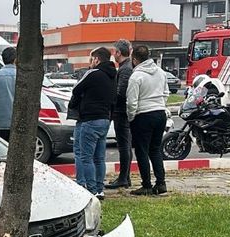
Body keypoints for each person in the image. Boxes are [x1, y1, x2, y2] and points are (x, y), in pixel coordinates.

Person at [69, 47, 116, 200]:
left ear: (96, 59)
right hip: (104, 119)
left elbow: (76, 89)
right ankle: (99, 188)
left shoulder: (93, 73)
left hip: (89, 119)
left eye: (92, 59)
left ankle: (91, 189)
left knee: (86, 157)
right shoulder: (112, 75)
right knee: (99, 158)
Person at [126, 45, 169, 196]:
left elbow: (131, 102)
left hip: (143, 115)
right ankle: (161, 182)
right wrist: (161, 106)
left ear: (135, 59)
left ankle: (146, 185)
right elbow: (166, 93)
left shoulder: (136, 76)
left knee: (142, 151)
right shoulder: (161, 72)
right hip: (160, 113)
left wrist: (131, 117)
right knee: (155, 149)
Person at [106, 39, 134, 189]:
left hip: (121, 112)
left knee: (124, 145)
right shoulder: (125, 67)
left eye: (114, 51)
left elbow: (121, 92)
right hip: (122, 112)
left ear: (118, 53)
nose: (113, 54)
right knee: (125, 145)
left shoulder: (125, 69)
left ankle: (124, 177)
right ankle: (125, 177)